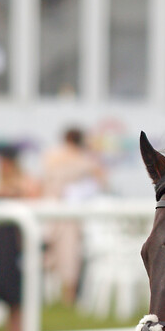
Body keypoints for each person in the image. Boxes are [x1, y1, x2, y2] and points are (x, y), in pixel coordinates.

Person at [42, 127, 106, 305]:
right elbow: (102, 180)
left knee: (50, 252)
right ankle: (67, 296)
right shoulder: (82, 159)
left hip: (49, 210)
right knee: (68, 254)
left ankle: (54, 295)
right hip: (67, 213)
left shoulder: (51, 155)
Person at [0, 142, 41, 331]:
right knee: (7, 292)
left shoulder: (25, 181)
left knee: (19, 291)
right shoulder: (0, 182)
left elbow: (32, 197)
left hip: (18, 241)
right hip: (4, 241)